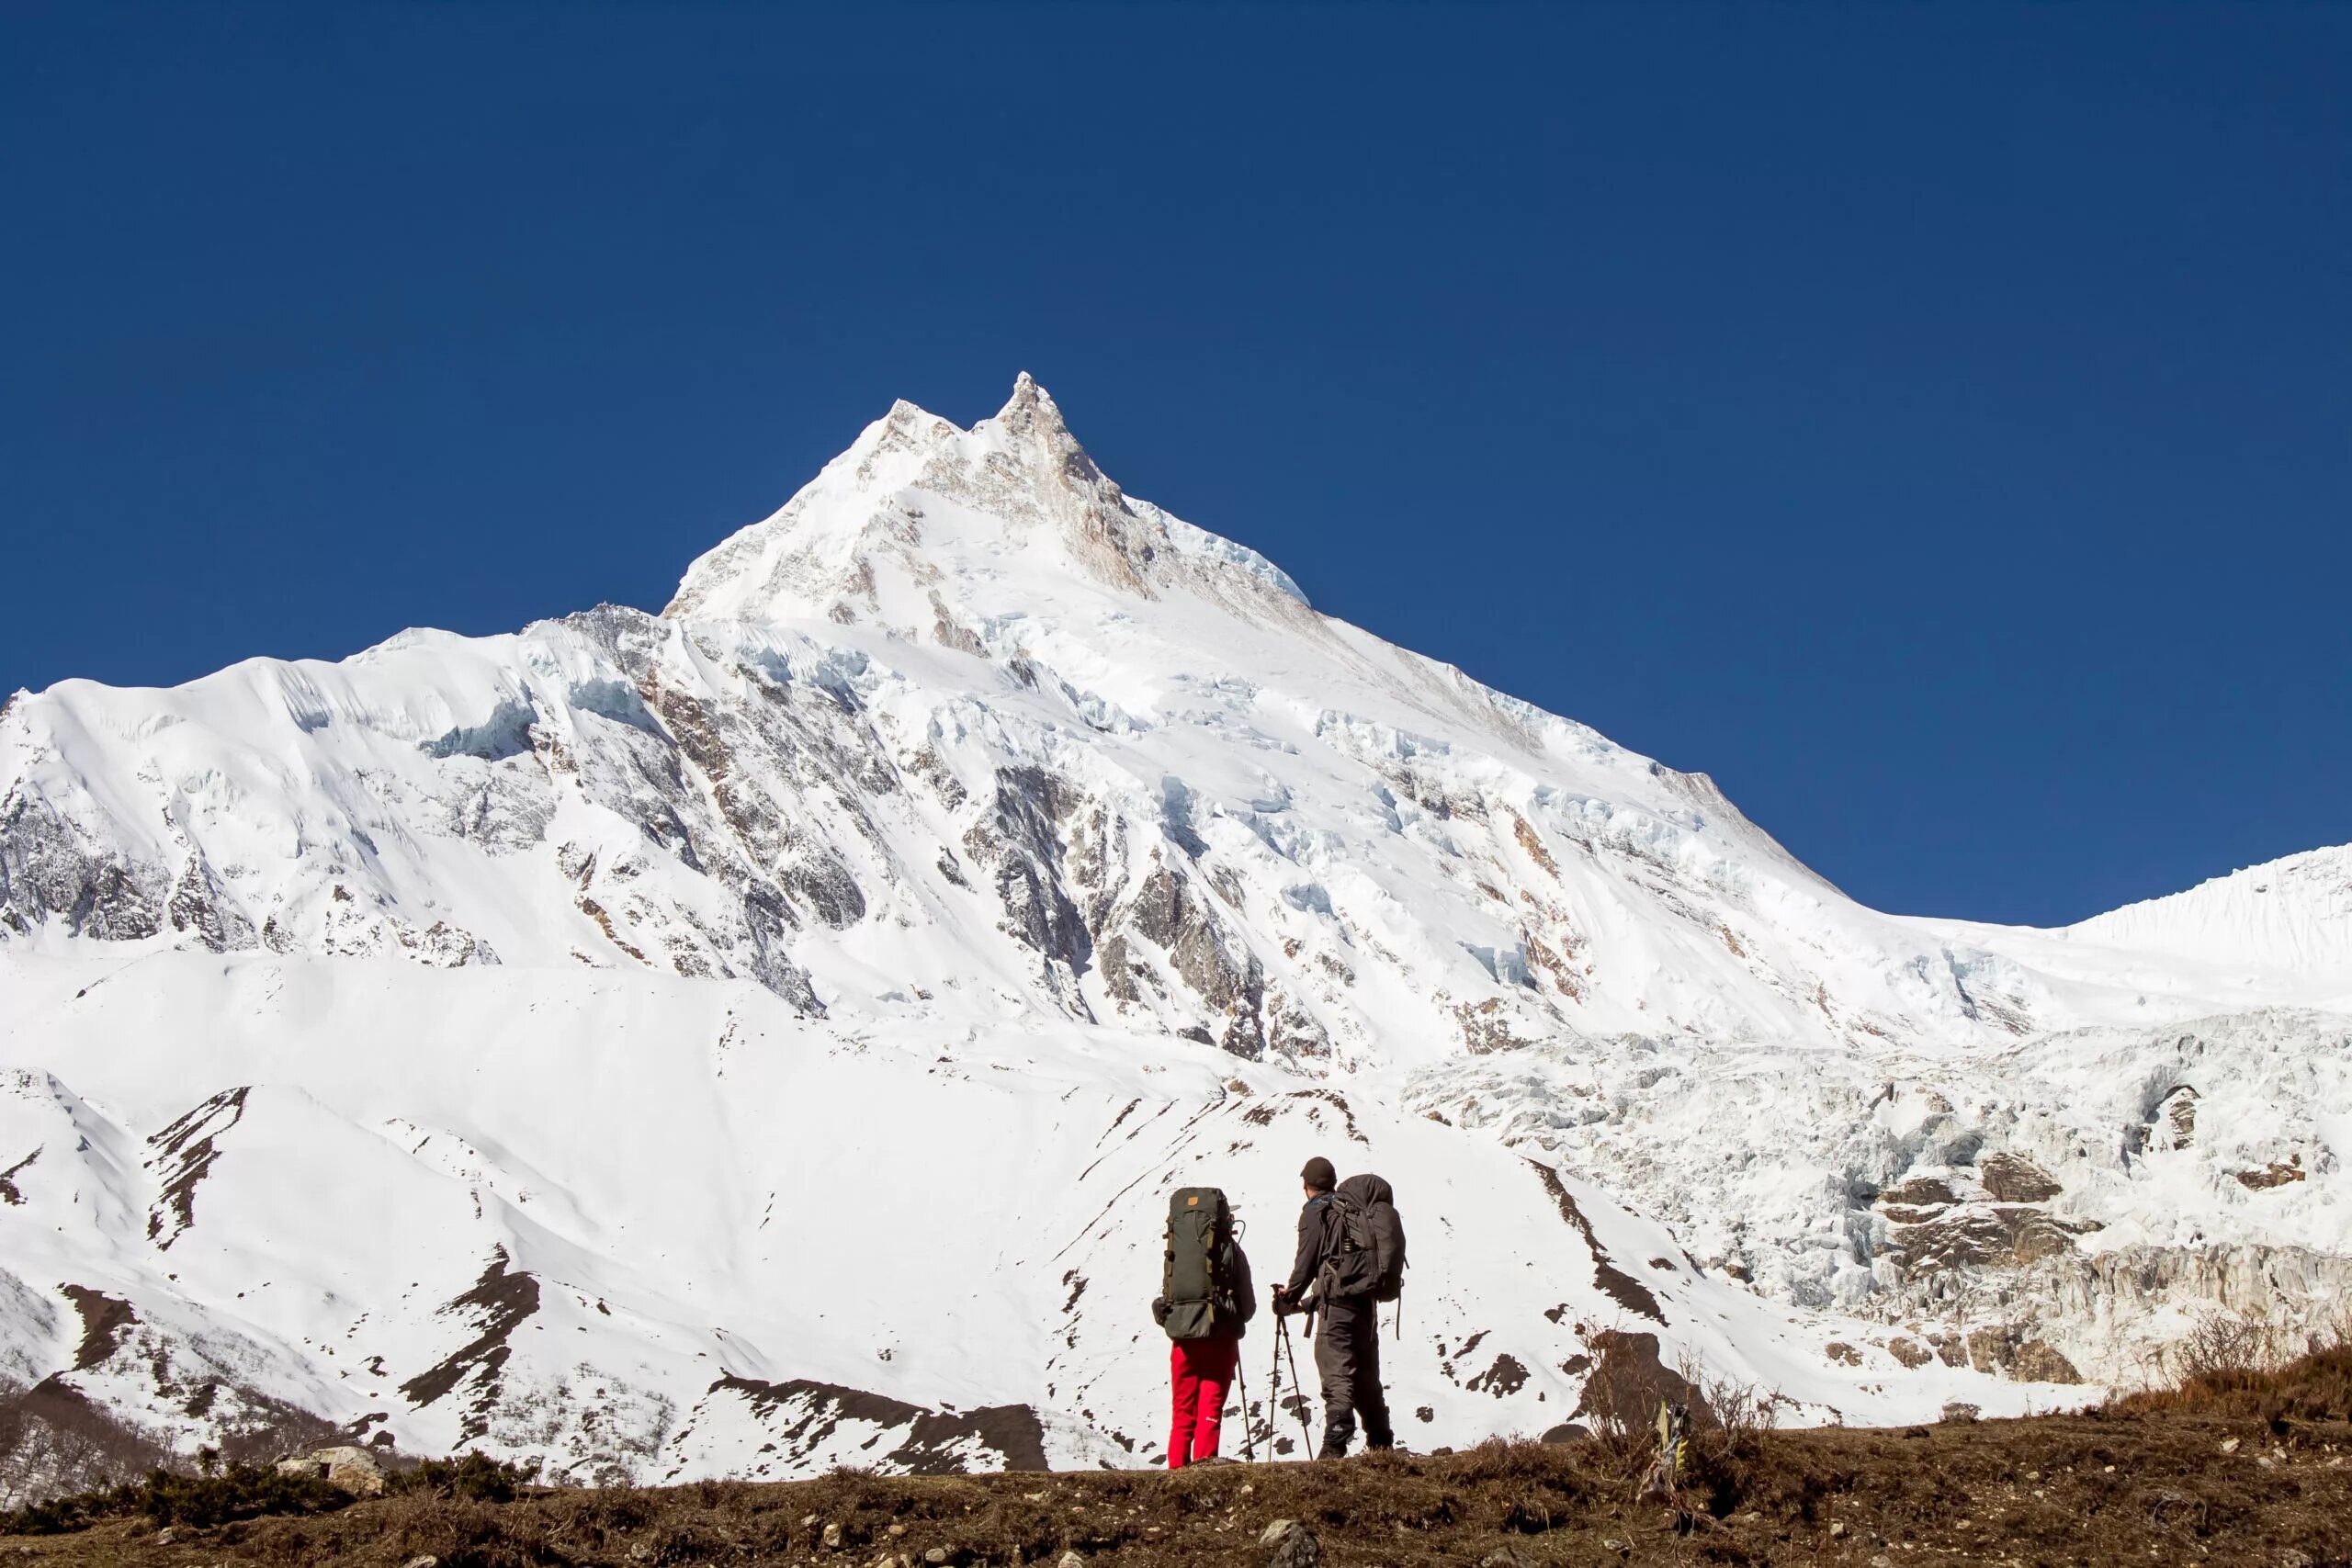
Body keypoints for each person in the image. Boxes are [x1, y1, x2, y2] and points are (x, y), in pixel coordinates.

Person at [1272, 1155, 1394, 1459]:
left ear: (1306, 1184)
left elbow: (1308, 1261)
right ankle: (1380, 1441)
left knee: (1336, 1370)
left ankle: (1334, 1446)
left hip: (1336, 1309)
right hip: (1365, 1305)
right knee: (1366, 1373)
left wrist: (1289, 1297)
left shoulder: (1317, 1212)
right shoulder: (1350, 1212)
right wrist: (1305, 1304)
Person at [1153, 1189, 1256, 1469]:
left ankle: (1175, 1475)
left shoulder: (1178, 1247)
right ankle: (1204, 1474)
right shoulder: (1230, 1250)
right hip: (1219, 1340)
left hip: (1182, 1340)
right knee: (1210, 1410)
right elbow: (1248, 1308)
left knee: (1182, 1414)